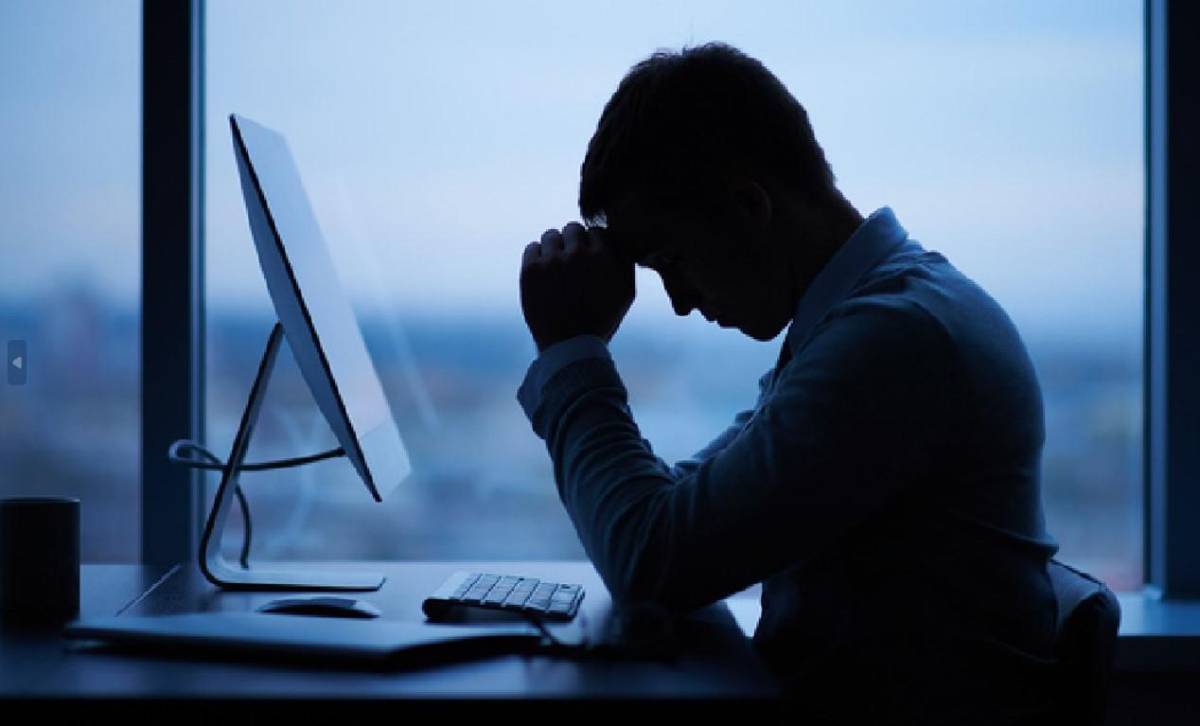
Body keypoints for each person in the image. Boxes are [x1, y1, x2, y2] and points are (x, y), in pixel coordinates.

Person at [516, 43, 1059, 724]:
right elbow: (680, 520)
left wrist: (571, 349)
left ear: (750, 207)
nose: (679, 301)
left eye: (672, 259)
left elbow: (653, 561)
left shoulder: (896, 342)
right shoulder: (876, 319)